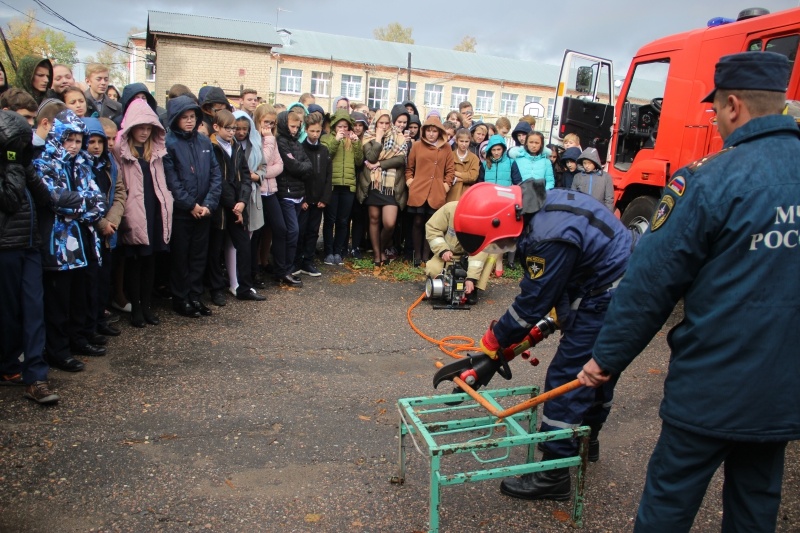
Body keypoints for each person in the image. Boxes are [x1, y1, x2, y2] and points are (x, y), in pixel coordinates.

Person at [579, 51, 799, 532]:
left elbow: (651, 283)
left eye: (716, 109)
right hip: (784, 386)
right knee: (757, 503)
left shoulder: (708, 179)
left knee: (669, 501)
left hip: (713, 385)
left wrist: (606, 358)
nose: (717, 120)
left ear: (734, 105)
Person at [451, 179, 637, 501]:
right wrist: (562, 318)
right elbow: (563, 280)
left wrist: (494, 341)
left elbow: (532, 304)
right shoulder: (539, 208)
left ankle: (554, 473)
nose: (497, 251)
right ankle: (586, 440)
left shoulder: (546, 236)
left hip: (608, 293)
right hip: (619, 283)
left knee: (569, 376)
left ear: (503, 221)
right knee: (600, 368)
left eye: (494, 244)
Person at [35, 109, 109, 372]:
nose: (75, 146)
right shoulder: (44, 162)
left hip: (84, 240)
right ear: (58, 137)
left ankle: (78, 339)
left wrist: (79, 203)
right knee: (58, 301)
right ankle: (58, 350)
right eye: (70, 140)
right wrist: (82, 203)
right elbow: (54, 199)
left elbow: (98, 200)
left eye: (79, 141)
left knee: (80, 295)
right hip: (57, 246)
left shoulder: (83, 163)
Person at [0, 110, 60, 403]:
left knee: (35, 310)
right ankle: (9, 366)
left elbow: (45, 198)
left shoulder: (20, 164)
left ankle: (36, 376)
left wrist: (24, 165)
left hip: (29, 246)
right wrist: (12, 164)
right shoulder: (8, 166)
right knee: (9, 313)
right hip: (6, 248)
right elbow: (10, 199)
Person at [113, 99, 172, 327]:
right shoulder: (121, 150)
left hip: (154, 209)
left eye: (149, 128)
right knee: (134, 262)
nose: (145, 132)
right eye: (141, 127)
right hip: (134, 211)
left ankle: (147, 306)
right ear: (131, 127)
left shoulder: (154, 151)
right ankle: (136, 307)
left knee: (150, 260)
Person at [163, 95, 222, 318]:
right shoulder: (169, 144)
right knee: (181, 257)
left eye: (192, 117)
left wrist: (208, 204)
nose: (189, 121)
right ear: (175, 119)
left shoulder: (205, 142)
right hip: (182, 213)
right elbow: (172, 181)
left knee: (199, 256)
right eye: (184, 117)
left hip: (204, 211)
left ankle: (195, 296)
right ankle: (181, 298)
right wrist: (190, 205)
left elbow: (216, 174)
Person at [209, 109, 265, 301]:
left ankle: (244, 287)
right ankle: (216, 289)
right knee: (215, 249)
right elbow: (219, 181)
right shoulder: (212, 147)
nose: (232, 132)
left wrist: (242, 202)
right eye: (228, 128)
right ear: (216, 127)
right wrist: (235, 205)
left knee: (244, 245)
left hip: (237, 206)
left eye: (234, 128)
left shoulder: (237, 148)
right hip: (220, 207)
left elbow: (245, 177)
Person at [84, 117, 126, 336]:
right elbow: (83, 199)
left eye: (103, 141)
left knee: (103, 280)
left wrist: (113, 220)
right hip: (92, 231)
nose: (99, 146)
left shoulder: (110, 161)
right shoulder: (82, 165)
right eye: (93, 142)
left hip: (110, 230)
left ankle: (100, 320)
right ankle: (88, 327)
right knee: (90, 283)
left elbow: (120, 192)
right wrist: (101, 223)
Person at [357, 109, 408, 267]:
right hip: (374, 184)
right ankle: (378, 255)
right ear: (376, 123)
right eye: (381, 123)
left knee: (389, 223)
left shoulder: (398, 137)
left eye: (387, 123)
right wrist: (378, 139)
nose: (384, 126)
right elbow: (370, 157)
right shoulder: (368, 137)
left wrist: (379, 164)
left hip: (391, 186)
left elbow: (400, 159)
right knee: (374, 219)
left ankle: (381, 247)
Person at [405, 115, 454, 266]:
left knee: (432, 225)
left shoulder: (446, 148)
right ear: (424, 131)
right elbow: (409, 168)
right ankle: (417, 255)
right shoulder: (417, 146)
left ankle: (427, 256)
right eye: (429, 131)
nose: (431, 134)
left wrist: (445, 186)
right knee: (418, 222)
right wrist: (411, 183)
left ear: (439, 132)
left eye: (434, 131)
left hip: (436, 192)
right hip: (419, 190)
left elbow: (450, 171)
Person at [274, 109, 312, 287]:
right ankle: (284, 269)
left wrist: (299, 167)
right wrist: (300, 167)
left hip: (298, 194)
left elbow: (308, 166)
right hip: (286, 193)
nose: (295, 130)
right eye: (292, 126)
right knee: (292, 232)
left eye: (298, 127)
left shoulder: (296, 143)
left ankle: (286, 268)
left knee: (293, 233)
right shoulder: (281, 142)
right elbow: (292, 166)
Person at [425, 201, 489, 305]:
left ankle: (473, 289)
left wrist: (471, 278)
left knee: (490, 253)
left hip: (471, 255)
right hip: (450, 254)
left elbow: (479, 253)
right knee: (433, 269)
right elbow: (432, 228)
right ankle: (445, 287)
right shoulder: (450, 209)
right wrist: (443, 250)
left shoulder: (483, 219)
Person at [320, 109, 362, 266]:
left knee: (343, 221)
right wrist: (336, 140)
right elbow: (326, 156)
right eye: (340, 126)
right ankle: (328, 252)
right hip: (332, 186)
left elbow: (359, 162)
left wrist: (357, 144)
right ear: (334, 127)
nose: (343, 130)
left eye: (345, 127)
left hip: (348, 186)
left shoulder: (351, 141)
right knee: (330, 220)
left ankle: (338, 251)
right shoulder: (326, 139)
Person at [295, 111, 331, 276]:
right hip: (304, 199)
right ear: (306, 130)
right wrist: (302, 198)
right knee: (300, 230)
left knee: (313, 231)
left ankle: (308, 261)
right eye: (312, 131)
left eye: (318, 131)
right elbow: (298, 177)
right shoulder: (300, 149)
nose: (315, 134)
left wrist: (325, 197)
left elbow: (328, 176)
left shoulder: (324, 150)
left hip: (319, 200)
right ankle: (297, 262)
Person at [252, 104, 284, 281]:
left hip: (270, 191)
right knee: (257, 232)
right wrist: (269, 140)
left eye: (272, 123)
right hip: (257, 192)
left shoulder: (272, 138)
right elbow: (259, 161)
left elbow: (279, 166)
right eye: (266, 122)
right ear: (258, 120)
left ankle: (270, 265)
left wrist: (263, 174)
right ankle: (255, 267)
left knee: (278, 228)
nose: (269, 127)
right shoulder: (257, 140)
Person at [446, 128, 480, 202]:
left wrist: (455, 174)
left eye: (466, 141)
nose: (464, 144)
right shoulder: (450, 155)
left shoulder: (474, 158)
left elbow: (473, 177)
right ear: (456, 141)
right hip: (451, 194)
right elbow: (446, 174)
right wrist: (465, 177)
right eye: (461, 141)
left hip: (466, 195)